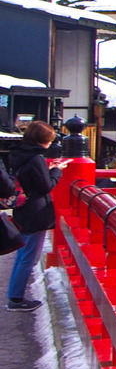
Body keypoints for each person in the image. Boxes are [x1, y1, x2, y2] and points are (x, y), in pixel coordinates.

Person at [5, 121, 60, 311]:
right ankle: (16, 299)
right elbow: (46, 186)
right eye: (49, 140)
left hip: (22, 209)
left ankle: (14, 295)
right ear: (42, 140)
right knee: (28, 257)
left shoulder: (18, 154)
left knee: (23, 255)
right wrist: (56, 172)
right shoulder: (36, 158)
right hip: (36, 212)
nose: (50, 143)